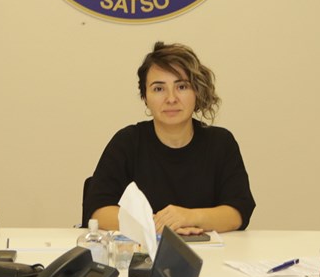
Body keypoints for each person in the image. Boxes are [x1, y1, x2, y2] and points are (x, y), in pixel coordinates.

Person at [83, 41, 255, 236]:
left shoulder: (221, 143)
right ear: (145, 97)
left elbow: (237, 212)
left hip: (208, 251)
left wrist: (189, 217)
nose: (171, 98)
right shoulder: (127, 142)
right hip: (143, 251)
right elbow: (98, 211)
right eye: (159, 89)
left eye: (182, 86)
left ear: (197, 92)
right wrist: (157, 224)